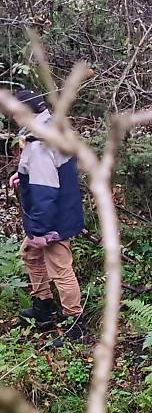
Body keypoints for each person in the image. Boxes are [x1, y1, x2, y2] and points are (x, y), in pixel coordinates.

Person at [12, 89, 86, 343]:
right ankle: (42, 307)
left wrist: (40, 231)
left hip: (52, 219)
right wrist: (22, 174)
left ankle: (74, 323)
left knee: (60, 269)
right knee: (30, 254)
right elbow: (47, 169)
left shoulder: (39, 143)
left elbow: (45, 190)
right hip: (61, 209)